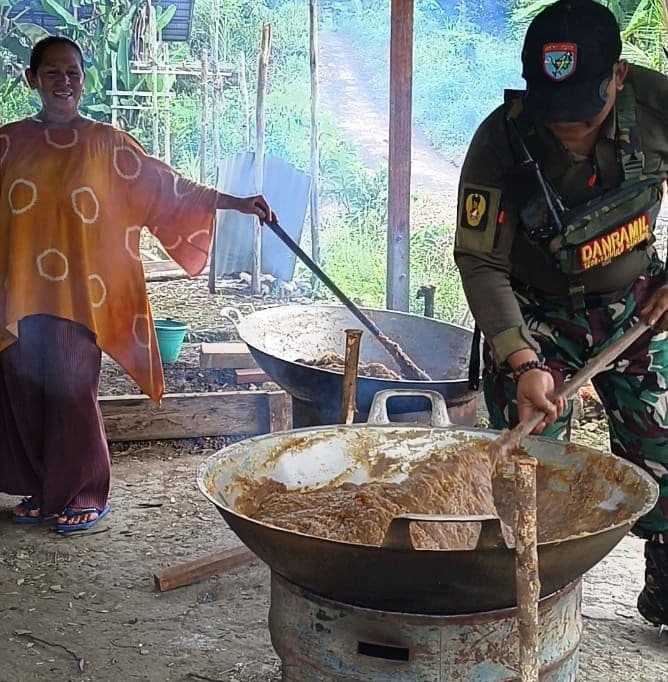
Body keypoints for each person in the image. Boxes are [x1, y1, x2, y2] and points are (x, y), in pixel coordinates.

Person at [0, 36, 275, 533]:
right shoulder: (8, 143)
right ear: (32, 79)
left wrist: (236, 202)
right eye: (52, 73)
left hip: (82, 297)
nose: (64, 82)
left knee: (69, 390)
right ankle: (44, 491)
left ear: (84, 80)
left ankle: (85, 490)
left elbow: (167, 187)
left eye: (73, 73)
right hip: (18, 295)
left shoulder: (106, 144)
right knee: (22, 390)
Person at [454, 0, 668, 627]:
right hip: (532, 315)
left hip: (636, 308)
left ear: (619, 77)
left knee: (666, 447)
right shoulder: (500, 140)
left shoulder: (659, 107)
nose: (569, 130)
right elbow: (481, 262)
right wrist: (521, 360)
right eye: (556, 116)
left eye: (585, 112)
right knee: (533, 475)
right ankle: (533, 609)